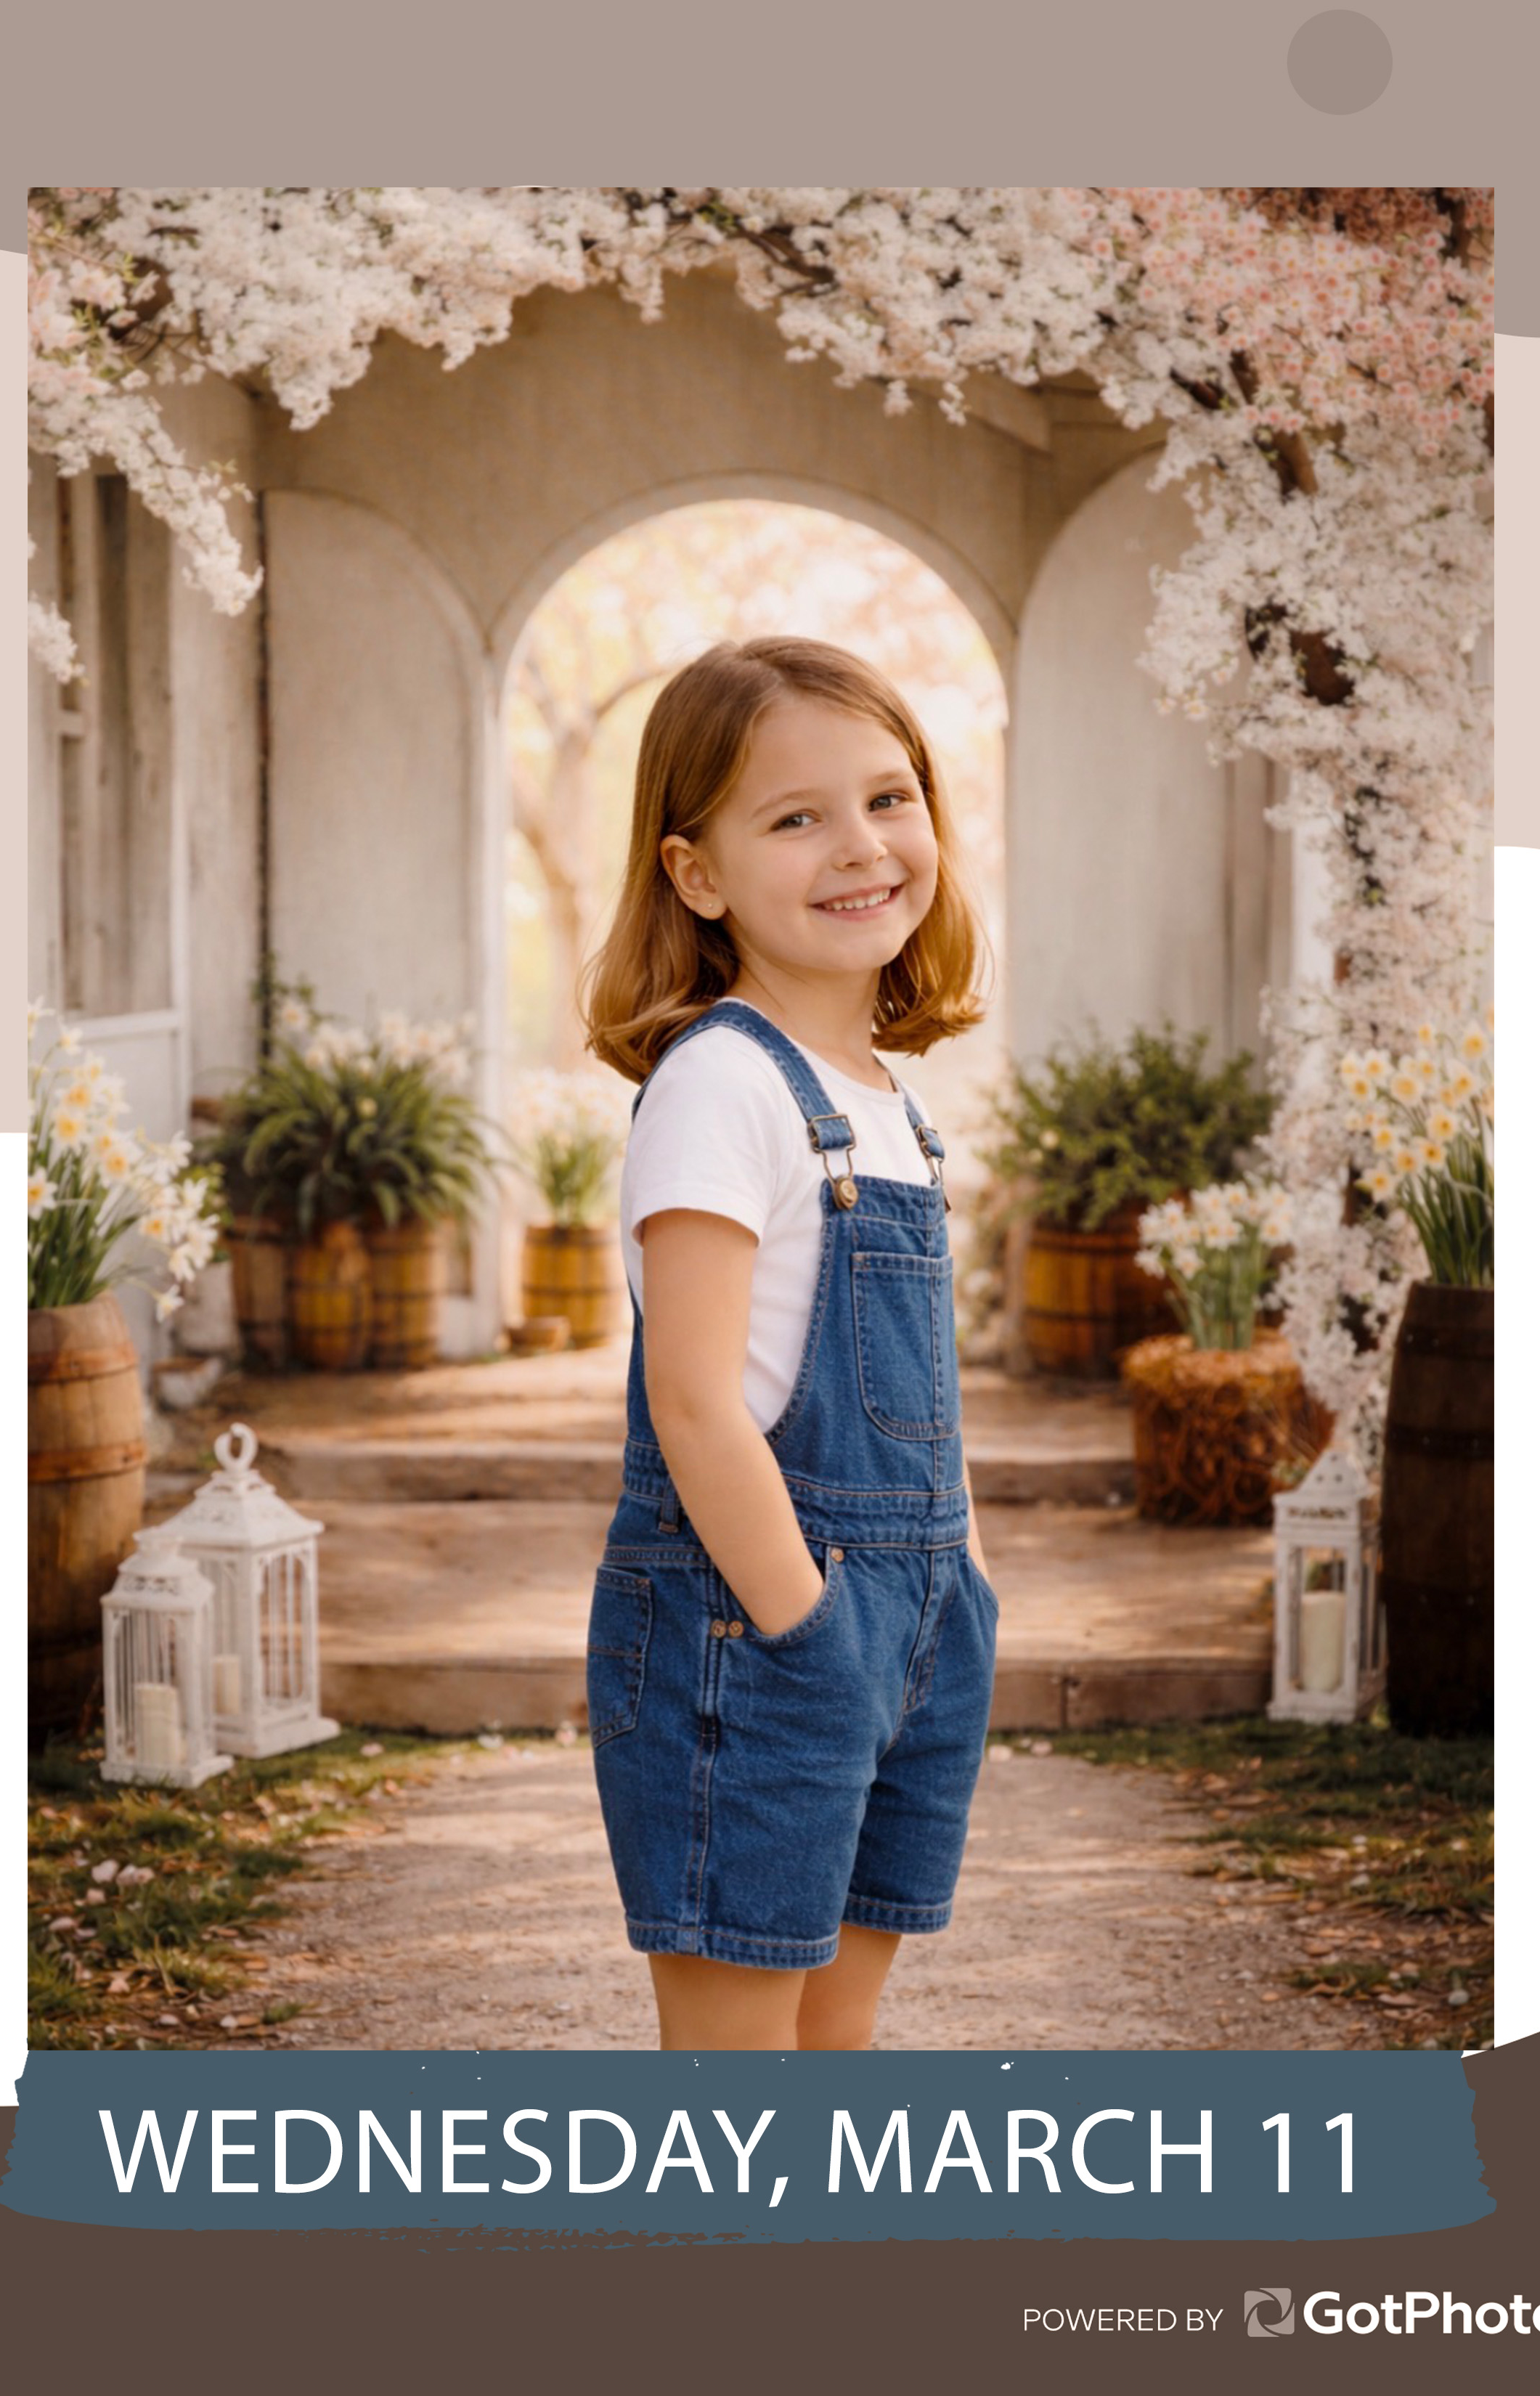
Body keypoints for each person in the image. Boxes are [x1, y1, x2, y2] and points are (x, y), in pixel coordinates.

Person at [578, 632, 1001, 2052]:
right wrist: (810, 1637)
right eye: (796, 817)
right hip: (752, 1629)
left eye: (890, 799)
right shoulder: (721, 1085)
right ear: (696, 873)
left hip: (921, 1625)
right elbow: (695, 1406)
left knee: (835, 2051)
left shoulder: (890, 1103)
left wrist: (966, 1590)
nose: (861, 846)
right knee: (741, 2081)